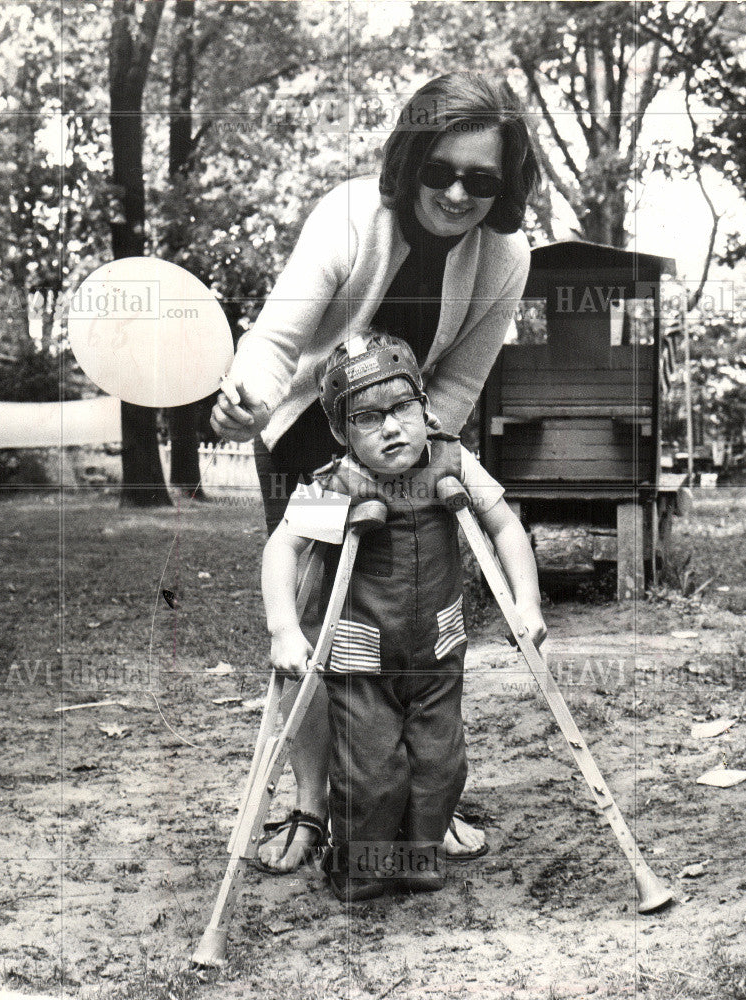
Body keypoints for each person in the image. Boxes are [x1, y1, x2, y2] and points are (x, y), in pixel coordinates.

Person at [211, 71, 541, 872]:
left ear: (504, 186)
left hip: (415, 446)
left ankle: (423, 799)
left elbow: (459, 381)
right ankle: (310, 807)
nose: (458, 193)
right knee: (323, 627)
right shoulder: (351, 214)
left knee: (411, 622)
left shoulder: (505, 257)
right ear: (411, 158)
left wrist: (417, 466)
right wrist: (245, 393)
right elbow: (277, 336)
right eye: (441, 171)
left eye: (481, 179)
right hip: (305, 435)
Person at [262, 333, 546, 901]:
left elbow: (505, 526)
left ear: (425, 407)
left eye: (401, 408)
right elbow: (283, 548)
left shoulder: (453, 461)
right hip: (363, 655)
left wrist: (526, 602)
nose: (391, 427)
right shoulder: (340, 482)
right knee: (369, 772)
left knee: (441, 764)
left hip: (438, 651)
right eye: (368, 418)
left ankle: (418, 856)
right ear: (343, 434)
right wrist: (285, 627)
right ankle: (359, 864)